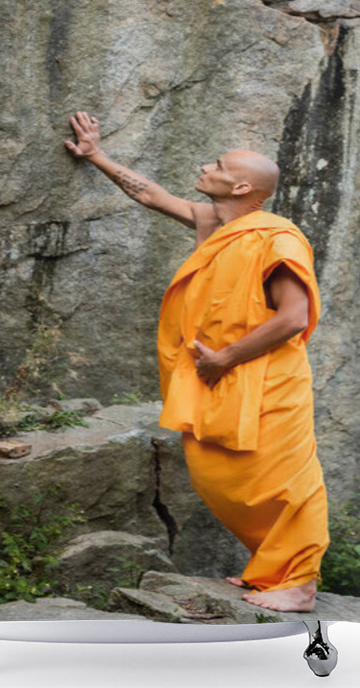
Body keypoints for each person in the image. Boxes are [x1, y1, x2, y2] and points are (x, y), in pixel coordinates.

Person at [65, 111, 329, 612]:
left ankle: (301, 582)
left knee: (283, 480)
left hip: (265, 380)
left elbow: (294, 317)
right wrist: (96, 154)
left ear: (242, 185)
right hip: (217, 375)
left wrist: (224, 358)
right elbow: (149, 194)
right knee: (224, 482)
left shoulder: (277, 238)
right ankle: (274, 569)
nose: (206, 166)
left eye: (218, 164)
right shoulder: (217, 223)